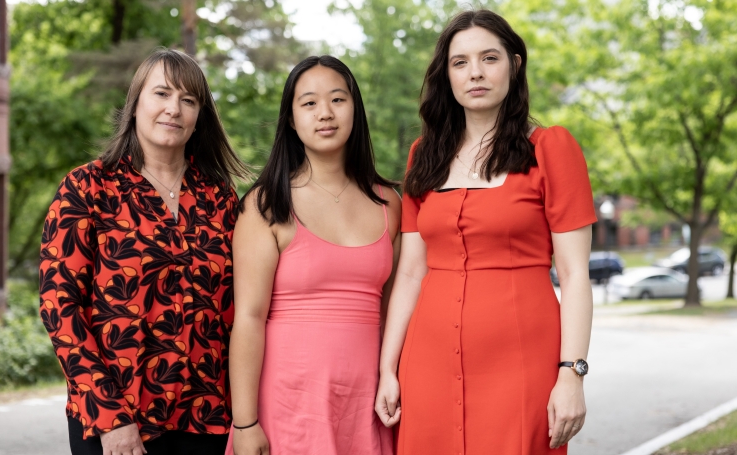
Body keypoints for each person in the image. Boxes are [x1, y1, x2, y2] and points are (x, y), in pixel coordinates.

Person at [374, 10, 596, 455]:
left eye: (489, 58)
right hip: (428, 364)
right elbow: (412, 274)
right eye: (460, 62)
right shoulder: (424, 155)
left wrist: (571, 373)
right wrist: (388, 370)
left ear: (514, 65)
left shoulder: (551, 148)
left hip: (522, 362)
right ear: (447, 76)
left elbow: (574, 275)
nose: (475, 72)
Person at [39, 48, 249, 455]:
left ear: (199, 117)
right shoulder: (87, 188)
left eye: (188, 100)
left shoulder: (219, 198)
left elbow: (238, 311)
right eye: (162, 94)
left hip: (205, 418)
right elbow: (59, 307)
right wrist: (109, 417)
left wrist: (245, 413)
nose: (174, 109)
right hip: (116, 421)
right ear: (135, 104)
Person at [226, 55, 400, 455]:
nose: (325, 113)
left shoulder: (389, 203)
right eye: (309, 103)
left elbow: (392, 313)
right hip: (290, 404)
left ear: (355, 108)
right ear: (290, 118)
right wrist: (245, 422)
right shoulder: (266, 204)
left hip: (368, 403)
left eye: (338, 100)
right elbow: (249, 319)